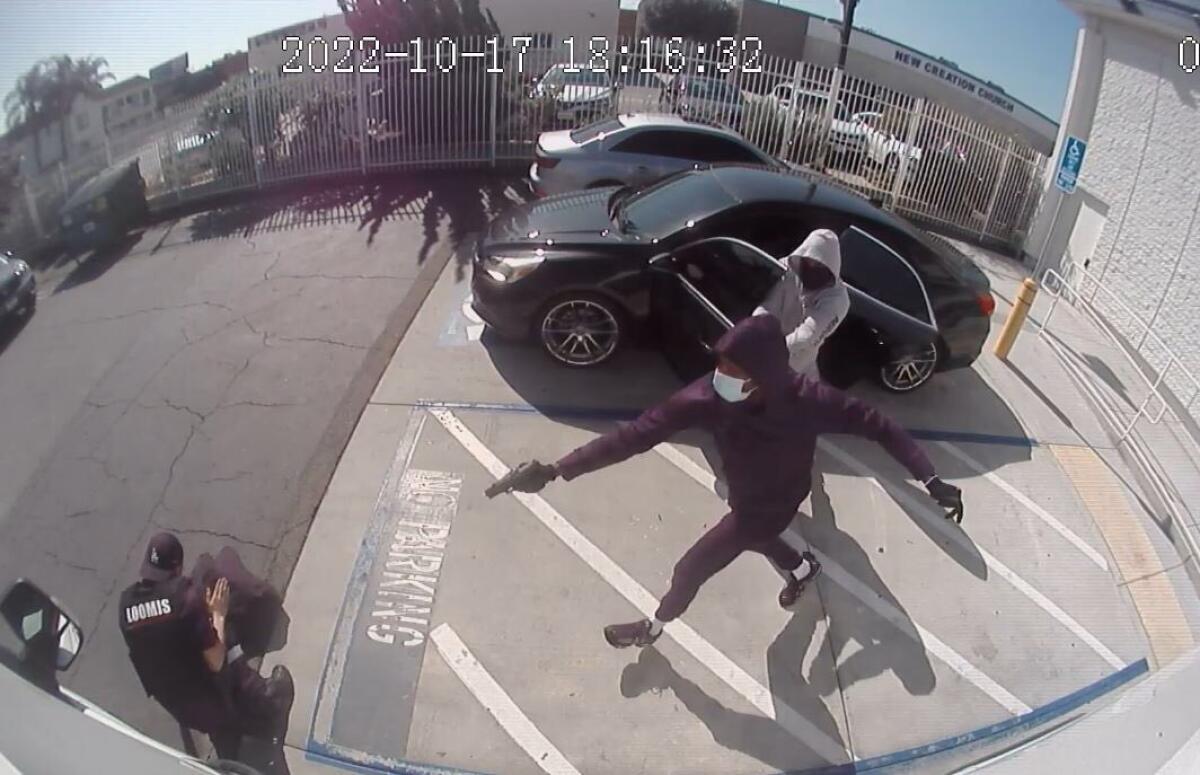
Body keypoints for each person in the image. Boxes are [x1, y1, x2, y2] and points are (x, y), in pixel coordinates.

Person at [492, 314, 963, 648]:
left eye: (733, 372)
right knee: (755, 534)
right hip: (745, 494)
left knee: (692, 568)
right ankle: (803, 570)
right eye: (719, 366)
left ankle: (652, 629)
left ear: (764, 377)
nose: (720, 378)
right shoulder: (703, 399)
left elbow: (880, 425)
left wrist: (931, 476)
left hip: (775, 502)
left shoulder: (811, 400)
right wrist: (558, 469)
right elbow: (636, 437)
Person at [118, 532, 294, 759]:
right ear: (177, 568)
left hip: (179, 706)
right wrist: (217, 614)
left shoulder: (126, 607)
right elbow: (216, 661)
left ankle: (226, 727)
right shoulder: (186, 601)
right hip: (209, 698)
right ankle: (267, 700)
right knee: (223, 640)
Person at [754, 228, 851, 380]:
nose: (811, 268)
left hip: (797, 366)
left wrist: (771, 350)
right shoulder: (790, 269)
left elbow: (808, 335)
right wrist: (754, 330)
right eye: (808, 262)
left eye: (818, 266)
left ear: (831, 267)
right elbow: (769, 305)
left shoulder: (837, 300)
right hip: (767, 348)